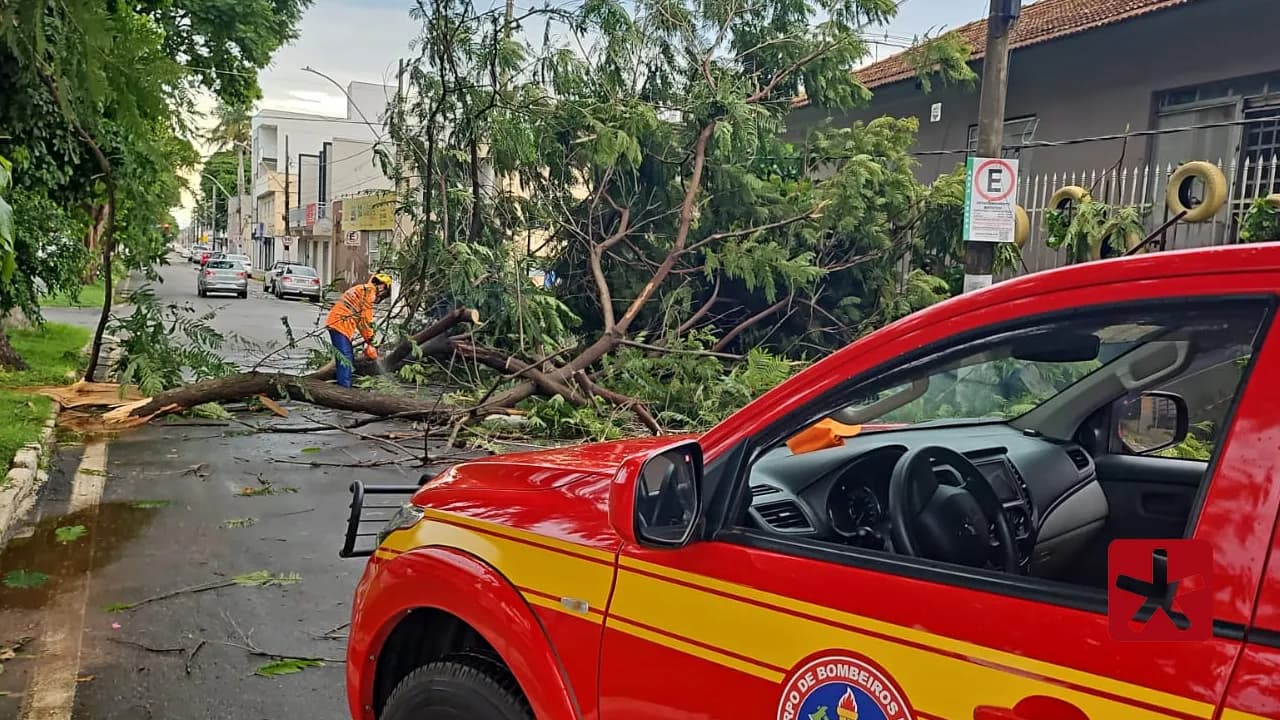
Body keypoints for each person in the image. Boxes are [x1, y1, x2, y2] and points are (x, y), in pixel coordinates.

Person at [325, 273, 393, 388]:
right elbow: (365, 320)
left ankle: (341, 384)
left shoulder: (362, 288)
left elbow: (361, 320)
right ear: (382, 286)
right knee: (345, 359)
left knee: (346, 357)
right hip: (340, 324)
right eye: (384, 292)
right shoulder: (369, 293)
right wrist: (370, 341)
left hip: (337, 322)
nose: (381, 296)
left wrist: (368, 341)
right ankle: (344, 390)